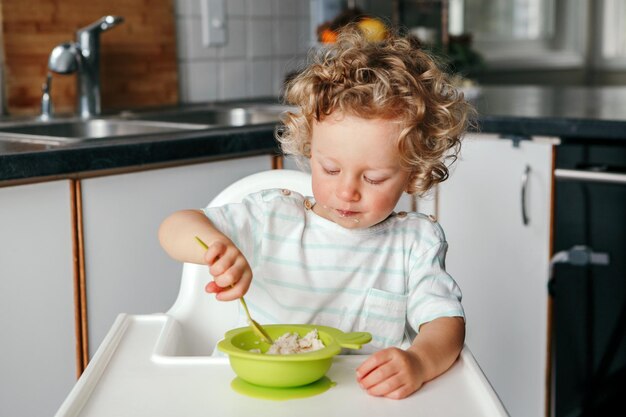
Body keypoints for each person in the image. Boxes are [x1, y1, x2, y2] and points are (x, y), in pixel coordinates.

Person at [159, 26, 474, 399]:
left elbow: (445, 323)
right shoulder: (272, 217)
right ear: (310, 151)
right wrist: (213, 245)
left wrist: (420, 362)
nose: (347, 191)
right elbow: (175, 226)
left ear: (413, 172)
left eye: (373, 178)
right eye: (331, 169)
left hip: (359, 399)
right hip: (257, 395)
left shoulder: (415, 243)